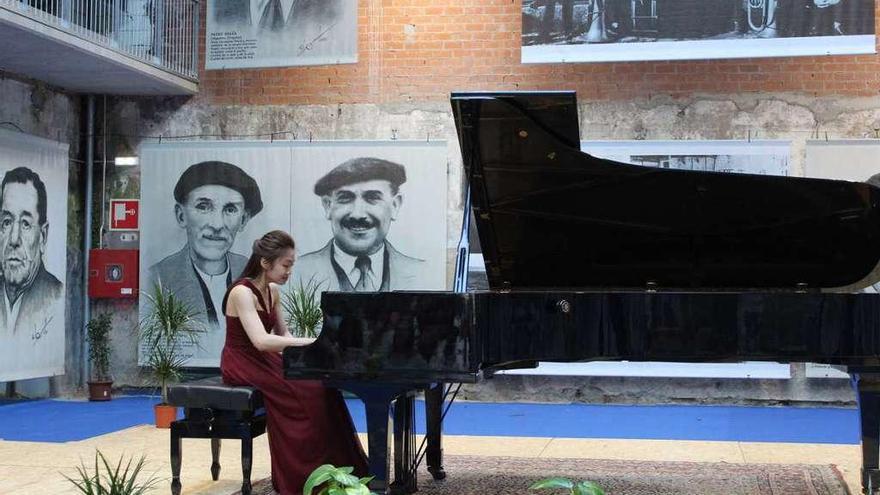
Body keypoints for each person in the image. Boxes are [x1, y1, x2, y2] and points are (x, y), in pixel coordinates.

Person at [221, 230, 367, 494]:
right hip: (242, 362)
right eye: (286, 265)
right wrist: (313, 342)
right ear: (266, 263)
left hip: (265, 360)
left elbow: (284, 335)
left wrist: (311, 350)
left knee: (324, 386)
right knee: (305, 394)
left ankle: (339, 471)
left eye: (291, 265)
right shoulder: (241, 292)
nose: (289, 271)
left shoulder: (273, 290)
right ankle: (302, 477)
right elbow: (261, 341)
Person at [147, 161, 262, 329]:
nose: (217, 225)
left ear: (243, 220)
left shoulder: (252, 273)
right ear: (181, 216)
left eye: (230, 210)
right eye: (203, 207)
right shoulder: (156, 279)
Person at [292, 157, 425, 293]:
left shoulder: (423, 274)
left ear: (395, 205)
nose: (358, 214)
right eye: (345, 198)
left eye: (372, 197)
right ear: (328, 206)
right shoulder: (296, 273)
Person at [0, 167, 63, 336]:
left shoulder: (57, 297)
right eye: (6, 222)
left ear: (42, 236)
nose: (14, 239)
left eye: (26, 224)